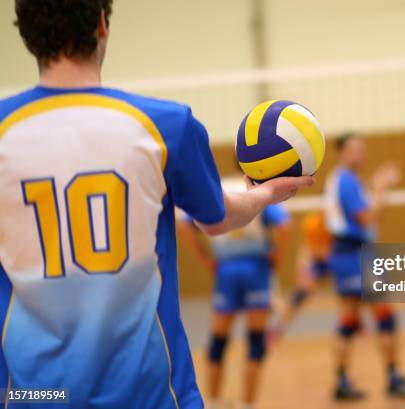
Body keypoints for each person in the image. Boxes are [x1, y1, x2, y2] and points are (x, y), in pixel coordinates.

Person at [0, 2, 313, 408]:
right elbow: (216, 219)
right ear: (101, 23)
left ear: (25, 31)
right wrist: (265, 195)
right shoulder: (166, 125)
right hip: (151, 395)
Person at [324, 133, 405, 400]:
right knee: (384, 316)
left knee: (349, 319)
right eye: (355, 150)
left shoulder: (347, 180)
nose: (361, 154)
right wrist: (381, 189)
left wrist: (375, 185)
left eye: (362, 149)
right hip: (356, 254)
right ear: (342, 153)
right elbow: (368, 217)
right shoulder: (346, 181)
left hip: (349, 253)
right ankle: (393, 378)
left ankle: (342, 381)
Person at [179, 176, 291, 409]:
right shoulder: (260, 191)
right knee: (256, 341)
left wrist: (205, 258)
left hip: (226, 269)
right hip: (256, 268)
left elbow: (184, 222)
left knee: (218, 341)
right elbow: (284, 224)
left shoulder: (218, 186)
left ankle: (213, 401)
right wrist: (278, 256)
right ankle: (247, 403)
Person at [276, 211, 333, 334]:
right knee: (301, 293)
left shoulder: (346, 224)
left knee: (353, 290)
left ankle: (357, 324)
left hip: (337, 257)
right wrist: (302, 267)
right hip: (317, 259)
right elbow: (308, 249)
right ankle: (279, 327)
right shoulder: (313, 223)